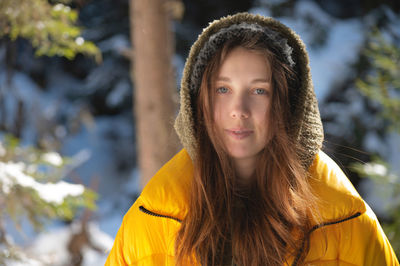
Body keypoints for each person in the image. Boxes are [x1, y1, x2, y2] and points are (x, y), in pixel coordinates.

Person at [105, 13, 399, 265]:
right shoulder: (154, 217)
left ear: (288, 105)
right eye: (223, 89)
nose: (238, 111)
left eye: (259, 91)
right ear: (199, 103)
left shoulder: (346, 220)